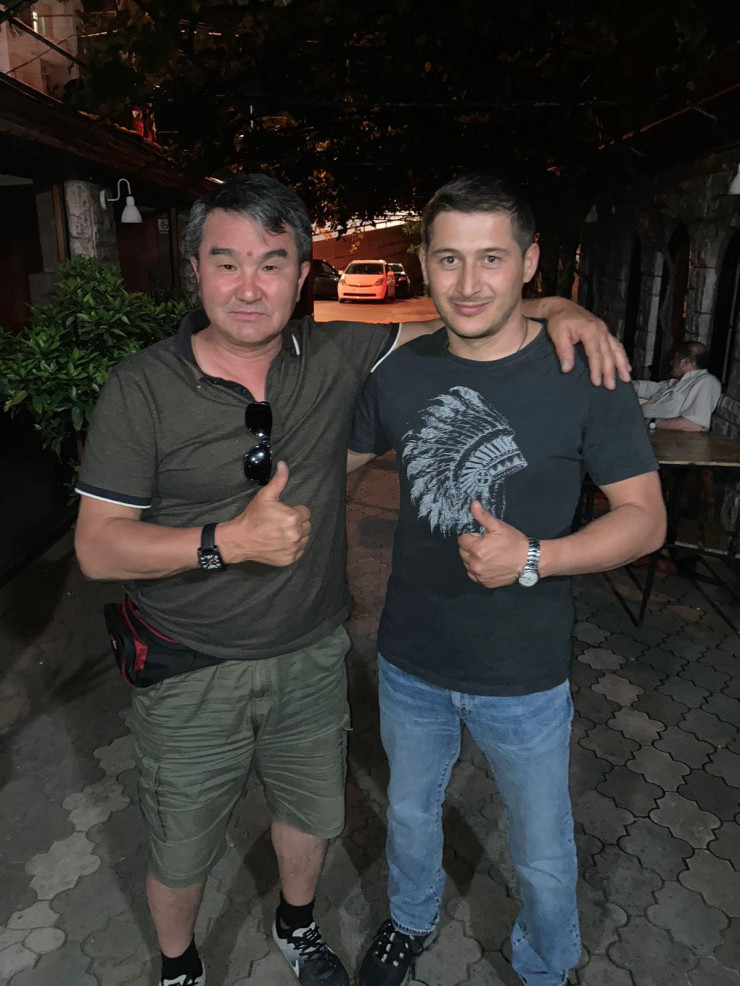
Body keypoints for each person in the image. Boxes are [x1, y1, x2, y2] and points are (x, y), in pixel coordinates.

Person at [74, 173, 629, 986]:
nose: (249, 286)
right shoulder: (142, 386)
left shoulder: (334, 351)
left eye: (272, 263)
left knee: (312, 816)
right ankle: (179, 964)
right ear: (194, 268)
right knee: (183, 843)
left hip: (310, 654)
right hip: (191, 663)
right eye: (226, 262)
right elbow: (96, 550)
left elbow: (468, 312)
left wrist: (561, 309)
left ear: (304, 274)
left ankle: (298, 928)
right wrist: (227, 541)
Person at [348, 173, 666, 986]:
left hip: (523, 673)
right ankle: (411, 919)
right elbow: (327, 470)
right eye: (448, 258)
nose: (468, 282)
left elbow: (645, 519)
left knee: (543, 849)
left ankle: (546, 966)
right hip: (411, 657)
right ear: (424, 263)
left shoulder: (584, 372)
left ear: (528, 263)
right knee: (410, 814)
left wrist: (534, 558)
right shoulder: (399, 374)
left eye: (491, 258)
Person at [635, 341, 721, 431]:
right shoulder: (679, 381)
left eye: (674, 359)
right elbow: (649, 388)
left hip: (654, 432)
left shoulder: (706, 381)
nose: (671, 363)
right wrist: (628, 384)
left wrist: (651, 422)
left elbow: (695, 424)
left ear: (684, 362)